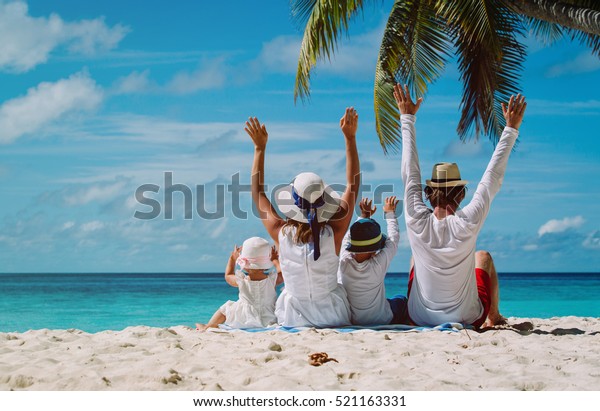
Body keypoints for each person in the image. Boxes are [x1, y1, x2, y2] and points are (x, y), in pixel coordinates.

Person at [394, 83, 526, 328]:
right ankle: (493, 317)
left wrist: (407, 118)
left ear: (427, 194)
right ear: (462, 194)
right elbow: (491, 179)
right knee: (483, 257)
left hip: (418, 318)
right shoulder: (468, 221)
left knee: (416, 257)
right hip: (467, 318)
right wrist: (510, 129)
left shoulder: (415, 217)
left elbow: (409, 172)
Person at [244, 108, 361, 327]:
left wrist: (259, 149)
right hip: (332, 315)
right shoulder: (334, 233)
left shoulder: (281, 232)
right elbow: (352, 185)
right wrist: (350, 138)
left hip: (293, 317)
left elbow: (257, 193)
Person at [338, 196, 409, 326]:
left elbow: (347, 238)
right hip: (382, 319)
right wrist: (389, 213)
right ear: (375, 250)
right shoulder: (377, 264)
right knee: (401, 300)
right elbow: (393, 239)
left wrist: (364, 217)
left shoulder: (344, 262)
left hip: (353, 320)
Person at [195, 237, 283, 331]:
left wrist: (232, 259)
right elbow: (282, 273)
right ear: (266, 266)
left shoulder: (241, 280)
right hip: (269, 317)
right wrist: (275, 260)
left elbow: (228, 275)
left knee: (227, 307)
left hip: (244, 318)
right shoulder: (272, 280)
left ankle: (208, 326)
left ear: (244, 266)